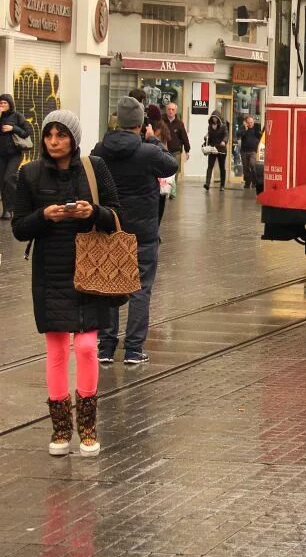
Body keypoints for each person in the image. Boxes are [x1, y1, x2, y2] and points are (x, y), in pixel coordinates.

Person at [11, 110, 120, 456]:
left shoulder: (94, 168)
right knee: (57, 350)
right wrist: (43, 216)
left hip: (91, 270)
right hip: (51, 274)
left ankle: (87, 425)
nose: (54, 142)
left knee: (87, 347)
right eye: (49, 135)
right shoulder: (29, 174)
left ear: (74, 138)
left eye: (61, 135)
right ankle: (61, 429)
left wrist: (94, 213)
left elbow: (117, 213)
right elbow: (18, 229)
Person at [92, 97, 178, 364]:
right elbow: (171, 164)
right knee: (141, 289)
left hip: (110, 227)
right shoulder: (148, 151)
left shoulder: (100, 149)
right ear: (141, 124)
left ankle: (106, 347)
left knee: (108, 285)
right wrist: (152, 139)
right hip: (143, 232)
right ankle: (133, 349)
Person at [0, 93, 33, 220]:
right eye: (0, 103)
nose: (2, 105)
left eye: (4, 103)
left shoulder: (17, 116)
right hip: (1, 155)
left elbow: (26, 132)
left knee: (8, 179)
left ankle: (12, 208)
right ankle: (6, 210)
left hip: (14, 154)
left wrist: (13, 128)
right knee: (2, 181)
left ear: (10, 104)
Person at [146, 104, 172, 223]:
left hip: (153, 168)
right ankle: (157, 228)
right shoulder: (163, 128)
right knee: (161, 201)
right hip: (160, 169)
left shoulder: (152, 131)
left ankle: (155, 228)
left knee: (154, 201)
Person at [163, 101, 190, 196]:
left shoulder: (179, 124)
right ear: (166, 110)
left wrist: (187, 150)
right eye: (169, 109)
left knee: (175, 171)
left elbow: (184, 137)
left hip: (176, 151)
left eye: (172, 109)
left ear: (176, 111)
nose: (170, 111)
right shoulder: (162, 122)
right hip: (164, 151)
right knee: (164, 170)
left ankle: (172, 191)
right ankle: (165, 189)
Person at [203, 110, 228, 189]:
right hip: (213, 148)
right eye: (213, 118)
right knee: (210, 166)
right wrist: (206, 139)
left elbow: (226, 135)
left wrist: (224, 141)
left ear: (219, 118)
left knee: (222, 167)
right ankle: (207, 184)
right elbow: (209, 137)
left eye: (216, 118)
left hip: (221, 149)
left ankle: (222, 185)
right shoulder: (210, 126)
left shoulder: (223, 126)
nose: (214, 119)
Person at [239, 115, 262, 189]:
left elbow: (260, 136)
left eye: (251, 122)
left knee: (252, 165)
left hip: (253, 151)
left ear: (253, 122)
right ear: (246, 123)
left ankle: (255, 182)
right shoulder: (243, 128)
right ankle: (247, 182)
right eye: (249, 122)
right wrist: (245, 129)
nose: (250, 124)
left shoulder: (256, 128)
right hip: (244, 151)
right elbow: (238, 135)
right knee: (245, 168)